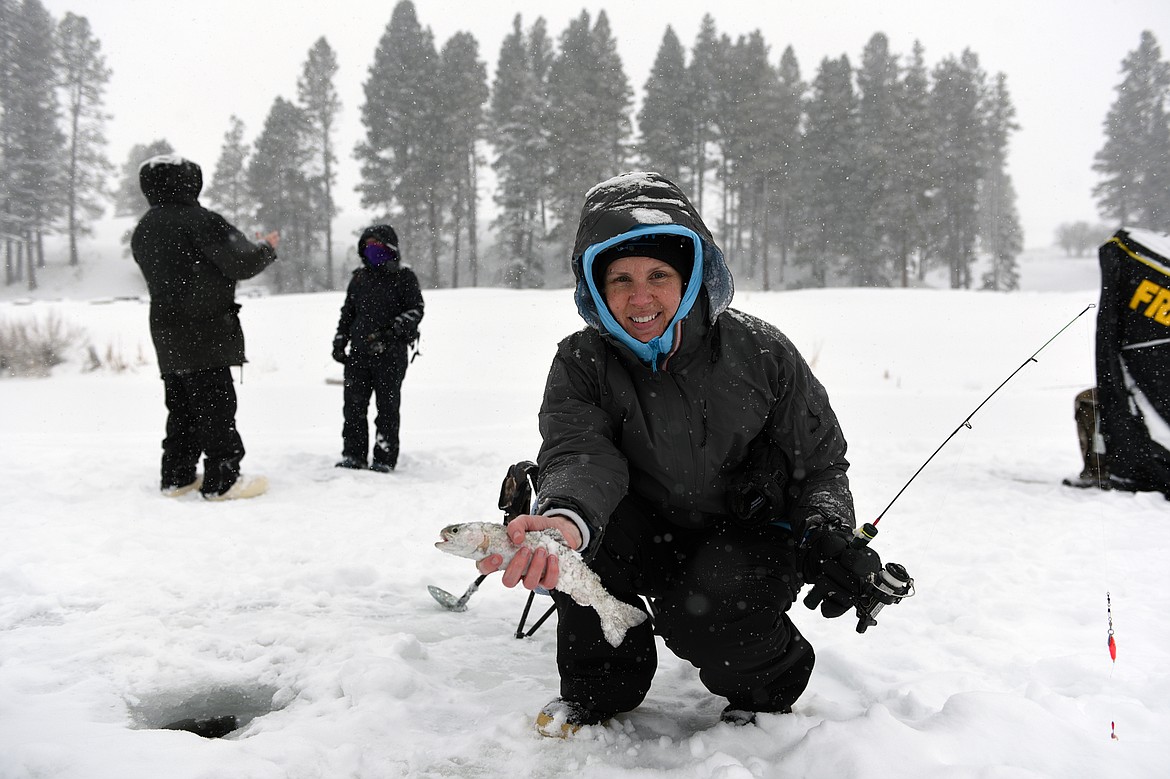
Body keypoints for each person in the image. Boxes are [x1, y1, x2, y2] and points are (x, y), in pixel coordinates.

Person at [478, 171, 879, 737]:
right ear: (594, 286)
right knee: (581, 549)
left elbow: (819, 464)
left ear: (692, 276)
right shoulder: (580, 361)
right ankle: (600, 691)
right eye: (619, 279)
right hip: (638, 529)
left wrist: (827, 529)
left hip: (741, 539)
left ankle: (767, 690)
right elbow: (580, 452)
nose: (639, 297)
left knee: (707, 609)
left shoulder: (762, 352)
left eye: (658, 275)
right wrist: (565, 519)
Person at [131, 154, 278, 501]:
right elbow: (241, 262)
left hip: (166, 332)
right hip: (205, 329)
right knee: (216, 407)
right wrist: (266, 248)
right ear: (190, 181)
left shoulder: (144, 228)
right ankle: (223, 480)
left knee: (181, 406)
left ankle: (177, 476)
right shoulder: (201, 221)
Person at [332, 224, 424, 472]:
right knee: (353, 407)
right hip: (359, 355)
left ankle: (384, 457)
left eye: (377, 246)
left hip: (390, 356)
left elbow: (416, 310)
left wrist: (391, 331)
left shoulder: (404, 277)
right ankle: (353, 454)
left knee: (387, 409)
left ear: (390, 248)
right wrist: (340, 339)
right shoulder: (359, 278)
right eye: (368, 246)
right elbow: (348, 312)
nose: (372, 251)